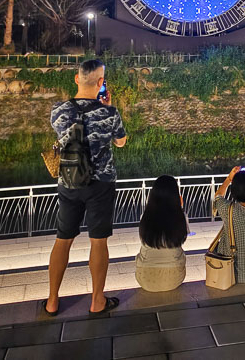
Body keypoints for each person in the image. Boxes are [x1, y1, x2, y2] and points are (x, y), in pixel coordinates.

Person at [43, 59, 127, 316]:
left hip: (68, 181)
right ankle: (97, 300)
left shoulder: (58, 111)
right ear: (101, 83)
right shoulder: (108, 113)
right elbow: (121, 142)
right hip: (100, 183)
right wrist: (108, 108)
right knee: (98, 242)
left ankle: (52, 301)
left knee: (63, 240)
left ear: (77, 79)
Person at [135, 175, 188, 292]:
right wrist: (181, 207)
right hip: (175, 278)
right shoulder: (180, 218)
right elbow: (183, 238)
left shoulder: (145, 218)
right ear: (176, 196)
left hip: (144, 278)